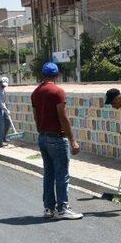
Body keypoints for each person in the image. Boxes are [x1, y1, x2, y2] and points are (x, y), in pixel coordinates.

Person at [31, 62, 83, 220]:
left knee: (49, 173)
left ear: (42, 74)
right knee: (62, 174)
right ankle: (63, 208)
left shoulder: (35, 92)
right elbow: (63, 116)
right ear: (57, 75)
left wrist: (41, 130)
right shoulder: (57, 92)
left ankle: (48, 208)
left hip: (43, 137)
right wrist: (72, 140)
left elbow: (35, 115)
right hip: (56, 138)